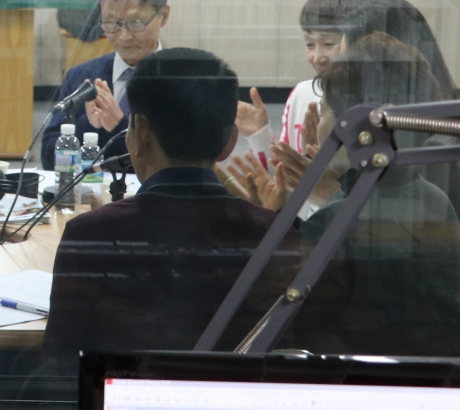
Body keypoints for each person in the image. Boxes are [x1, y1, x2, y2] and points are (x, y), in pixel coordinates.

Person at [43, 49, 301, 357]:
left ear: (140, 133)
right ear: (230, 142)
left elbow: (60, 363)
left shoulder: (90, 234)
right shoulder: (275, 235)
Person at [283, 34, 460, 356]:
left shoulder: (335, 223)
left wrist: (269, 218)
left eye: (324, 111)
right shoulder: (435, 200)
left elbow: (285, 316)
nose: (318, 123)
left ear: (356, 127)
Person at [340, 0, 460, 332]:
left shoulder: (431, 147)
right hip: (432, 312)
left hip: (454, 327)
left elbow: (395, 252)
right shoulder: (426, 126)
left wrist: (328, 186)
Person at [40, 0, 170, 168]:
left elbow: (181, 162)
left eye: (135, 23)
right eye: (111, 23)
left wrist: (119, 127)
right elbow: (48, 157)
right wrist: (89, 124)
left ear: (163, 15)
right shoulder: (81, 77)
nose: (124, 36)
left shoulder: (183, 80)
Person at [235, 0, 380, 160]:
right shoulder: (302, 94)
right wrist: (260, 136)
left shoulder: (379, 101)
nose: (317, 57)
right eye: (310, 44)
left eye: (329, 44)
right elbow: (283, 174)